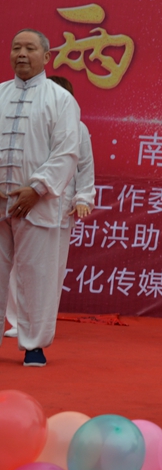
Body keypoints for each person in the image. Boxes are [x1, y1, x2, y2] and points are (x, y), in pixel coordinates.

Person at [0, 30, 80, 367]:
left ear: (46, 57)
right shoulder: (0, 93)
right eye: (16, 47)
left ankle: (34, 346)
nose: (21, 53)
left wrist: (37, 189)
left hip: (39, 202)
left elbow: (67, 152)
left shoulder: (61, 100)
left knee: (38, 275)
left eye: (30, 48)